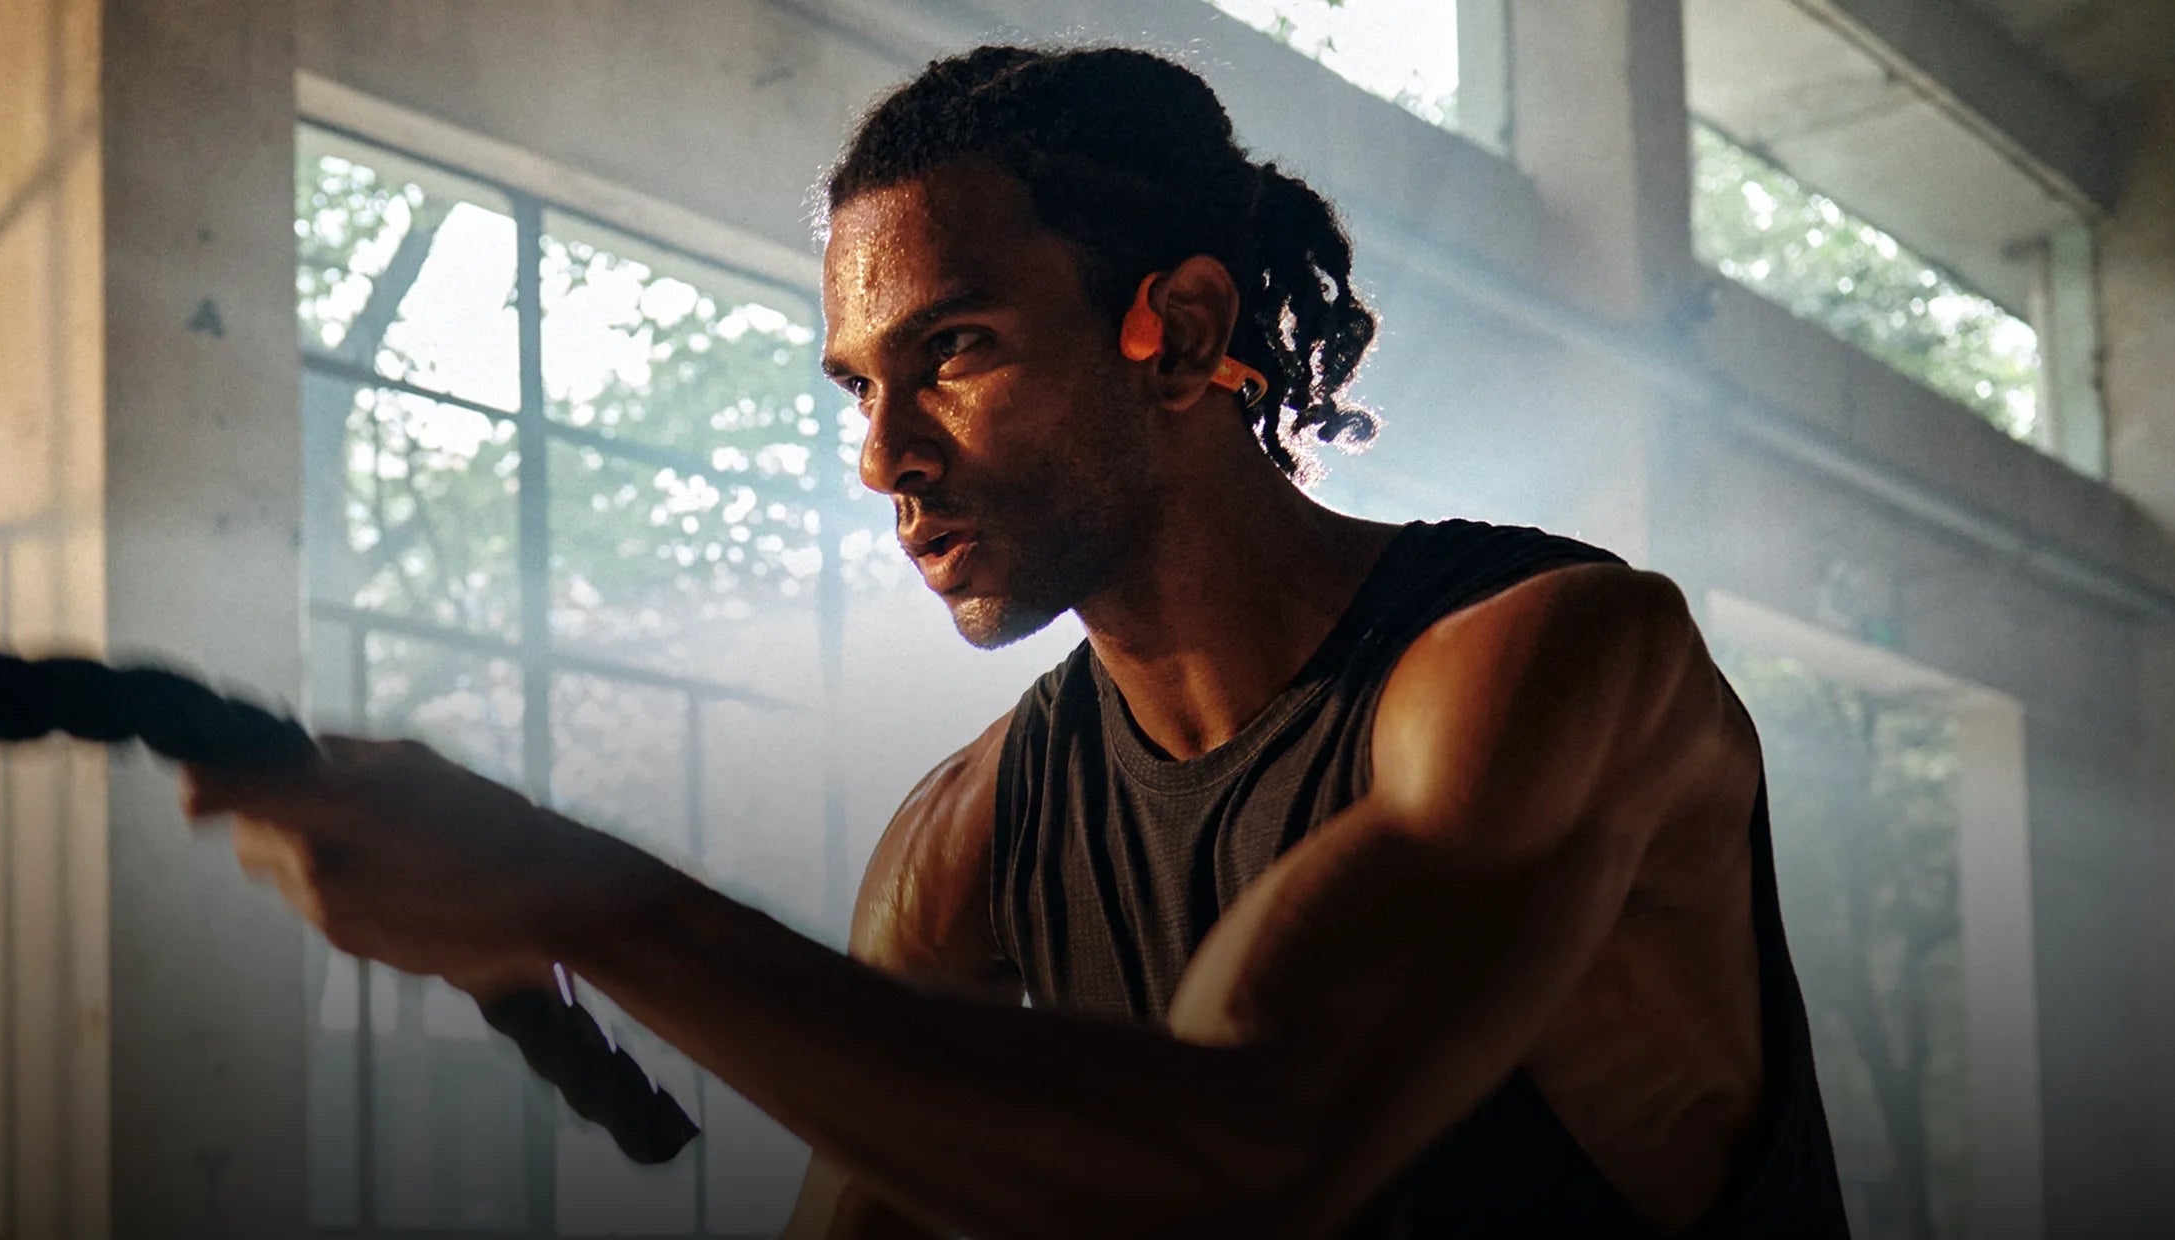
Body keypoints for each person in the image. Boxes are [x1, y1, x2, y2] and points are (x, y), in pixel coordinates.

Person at [189, 45, 1847, 1238]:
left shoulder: (1543, 661)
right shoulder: (970, 834)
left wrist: (585, 898)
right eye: (860, 385)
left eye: (955, 351)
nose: (884, 454)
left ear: (1182, 330)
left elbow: (1258, 1155)